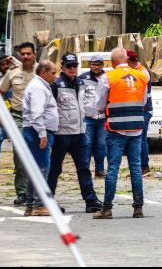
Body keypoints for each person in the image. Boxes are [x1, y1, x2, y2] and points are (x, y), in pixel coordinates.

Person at [93, 47, 148, 220]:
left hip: (116, 128)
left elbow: (99, 104)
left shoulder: (107, 77)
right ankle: (138, 208)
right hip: (136, 128)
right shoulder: (142, 76)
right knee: (136, 169)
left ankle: (107, 208)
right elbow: (144, 101)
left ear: (112, 61)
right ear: (126, 59)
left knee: (113, 169)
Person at [47, 53, 102, 213]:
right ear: (62, 67)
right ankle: (48, 201)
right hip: (61, 134)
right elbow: (50, 108)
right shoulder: (56, 85)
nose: (72, 69)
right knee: (55, 169)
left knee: (84, 168)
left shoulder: (81, 83)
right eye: (69, 66)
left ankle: (91, 200)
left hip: (79, 133)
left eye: (74, 66)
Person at [0, 43, 37, 206]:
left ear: (34, 54)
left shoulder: (42, 71)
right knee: (20, 154)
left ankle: (38, 191)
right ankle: (22, 192)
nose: (26, 57)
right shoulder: (12, 73)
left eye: (28, 54)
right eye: (23, 54)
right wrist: (3, 112)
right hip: (19, 117)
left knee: (39, 155)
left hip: (38, 118)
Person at [22, 60, 59, 217]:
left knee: (36, 167)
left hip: (35, 130)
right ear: (43, 72)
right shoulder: (38, 87)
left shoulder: (40, 85)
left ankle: (31, 204)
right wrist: (42, 134)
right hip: (37, 131)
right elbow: (37, 114)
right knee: (42, 168)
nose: (55, 76)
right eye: (53, 72)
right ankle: (39, 203)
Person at [79, 55, 109, 178]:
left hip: (102, 117)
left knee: (102, 145)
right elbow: (80, 98)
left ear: (103, 65)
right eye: (94, 64)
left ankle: (100, 170)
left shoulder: (107, 78)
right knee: (87, 144)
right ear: (90, 64)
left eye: (99, 64)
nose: (97, 66)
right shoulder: (82, 78)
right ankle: (84, 170)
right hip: (88, 117)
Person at [127, 50, 152, 176]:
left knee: (141, 139)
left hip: (143, 110)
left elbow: (143, 95)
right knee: (137, 139)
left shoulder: (142, 72)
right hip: (141, 110)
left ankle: (144, 167)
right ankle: (139, 167)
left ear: (129, 61)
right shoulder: (139, 70)